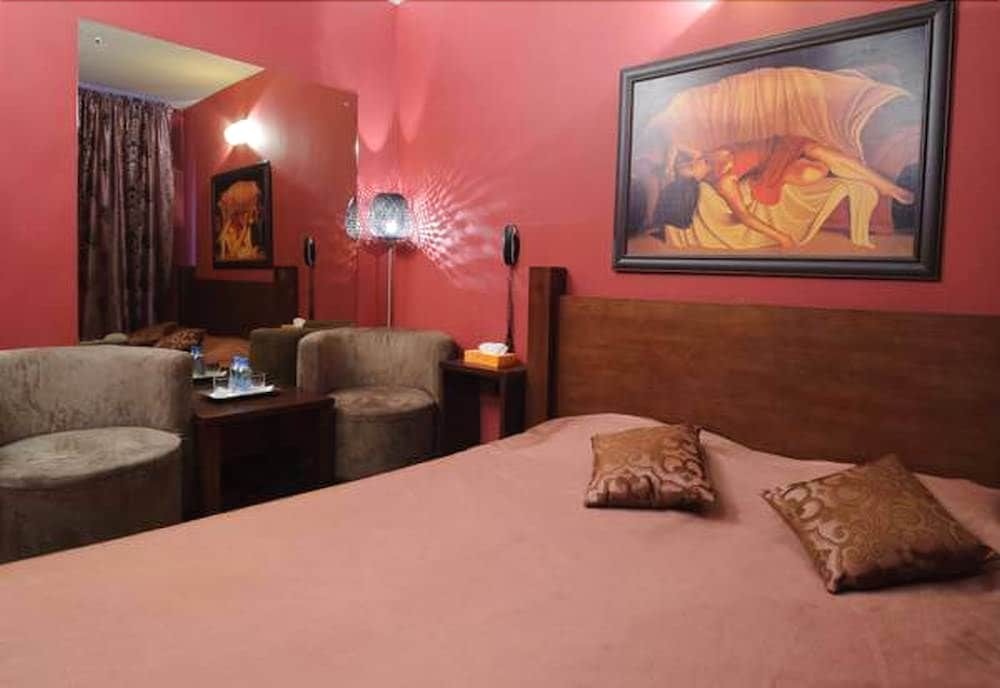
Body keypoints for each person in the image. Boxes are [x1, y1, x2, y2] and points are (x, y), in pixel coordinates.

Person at [649, 136, 914, 249]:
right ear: (696, 180)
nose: (691, 162)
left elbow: (675, 143)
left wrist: (670, 168)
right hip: (772, 169)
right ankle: (863, 180)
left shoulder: (703, 155)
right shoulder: (723, 182)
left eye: (687, 162)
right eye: (689, 168)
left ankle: (885, 186)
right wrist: (780, 236)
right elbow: (744, 217)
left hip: (778, 143)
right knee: (815, 171)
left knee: (816, 151)